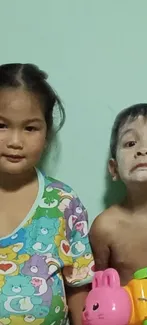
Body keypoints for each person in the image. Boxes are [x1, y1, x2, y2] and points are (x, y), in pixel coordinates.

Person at [0, 63, 94, 325]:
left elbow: (79, 286)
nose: (15, 141)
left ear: (47, 133)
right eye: (1, 125)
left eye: (30, 128)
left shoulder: (63, 202)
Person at [90, 103, 147, 286]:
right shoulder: (106, 227)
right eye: (130, 143)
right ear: (114, 168)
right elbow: (97, 289)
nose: (143, 150)